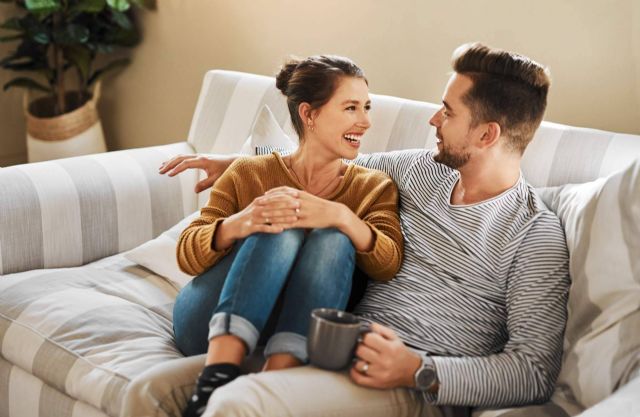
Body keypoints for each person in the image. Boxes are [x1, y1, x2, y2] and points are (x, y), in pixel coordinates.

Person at [160, 43, 570, 417]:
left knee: (239, 404)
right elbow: (326, 162)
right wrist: (235, 162)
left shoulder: (534, 235)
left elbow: (533, 373)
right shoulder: (421, 170)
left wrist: (418, 370)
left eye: (447, 111)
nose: (433, 119)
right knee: (152, 391)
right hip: (327, 346)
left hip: (408, 387)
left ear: (487, 134)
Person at [170, 55, 404, 417]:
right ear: (309, 115)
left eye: (367, 108)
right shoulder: (248, 172)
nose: (366, 121)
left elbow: (388, 263)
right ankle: (213, 381)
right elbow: (187, 254)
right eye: (351, 108)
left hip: (292, 331)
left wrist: (342, 217)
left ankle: (276, 378)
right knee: (277, 222)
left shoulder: (372, 187)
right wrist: (242, 222)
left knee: (334, 236)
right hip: (206, 325)